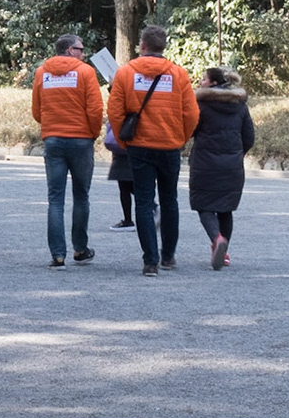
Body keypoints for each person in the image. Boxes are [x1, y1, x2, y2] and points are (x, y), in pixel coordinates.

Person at [106, 25, 199, 276]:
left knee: (144, 202)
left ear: (142, 45)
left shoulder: (125, 73)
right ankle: (168, 256)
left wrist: (125, 142)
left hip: (139, 145)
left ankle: (150, 261)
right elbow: (191, 113)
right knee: (170, 200)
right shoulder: (179, 74)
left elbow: (114, 112)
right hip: (169, 145)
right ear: (163, 46)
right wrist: (180, 137)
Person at [31, 34, 103, 267]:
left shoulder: (42, 73)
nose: (84, 53)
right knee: (81, 195)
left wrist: (51, 127)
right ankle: (80, 249)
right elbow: (95, 109)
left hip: (53, 140)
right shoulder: (85, 73)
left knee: (55, 198)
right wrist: (91, 134)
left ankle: (58, 254)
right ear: (70, 50)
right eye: (81, 49)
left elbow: (36, 110)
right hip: (81, 140)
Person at [189, 67, 255, 269]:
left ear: (214, 84)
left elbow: (191, 130)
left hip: (204, 163)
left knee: (204, 206)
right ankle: (224, 253)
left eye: (203, 80)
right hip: (232, 165)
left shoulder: (201, 105)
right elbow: (249, 138)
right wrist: (236, 154)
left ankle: (217, 239)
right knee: (226, 209)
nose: (200, 82)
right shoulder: (240, 106)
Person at [104, 119, 136, 230]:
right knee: (132, 184)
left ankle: (128, 220)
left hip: (123, 139)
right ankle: (153, 208)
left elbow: (115, 113)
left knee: (124, 186)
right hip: (138, 142)